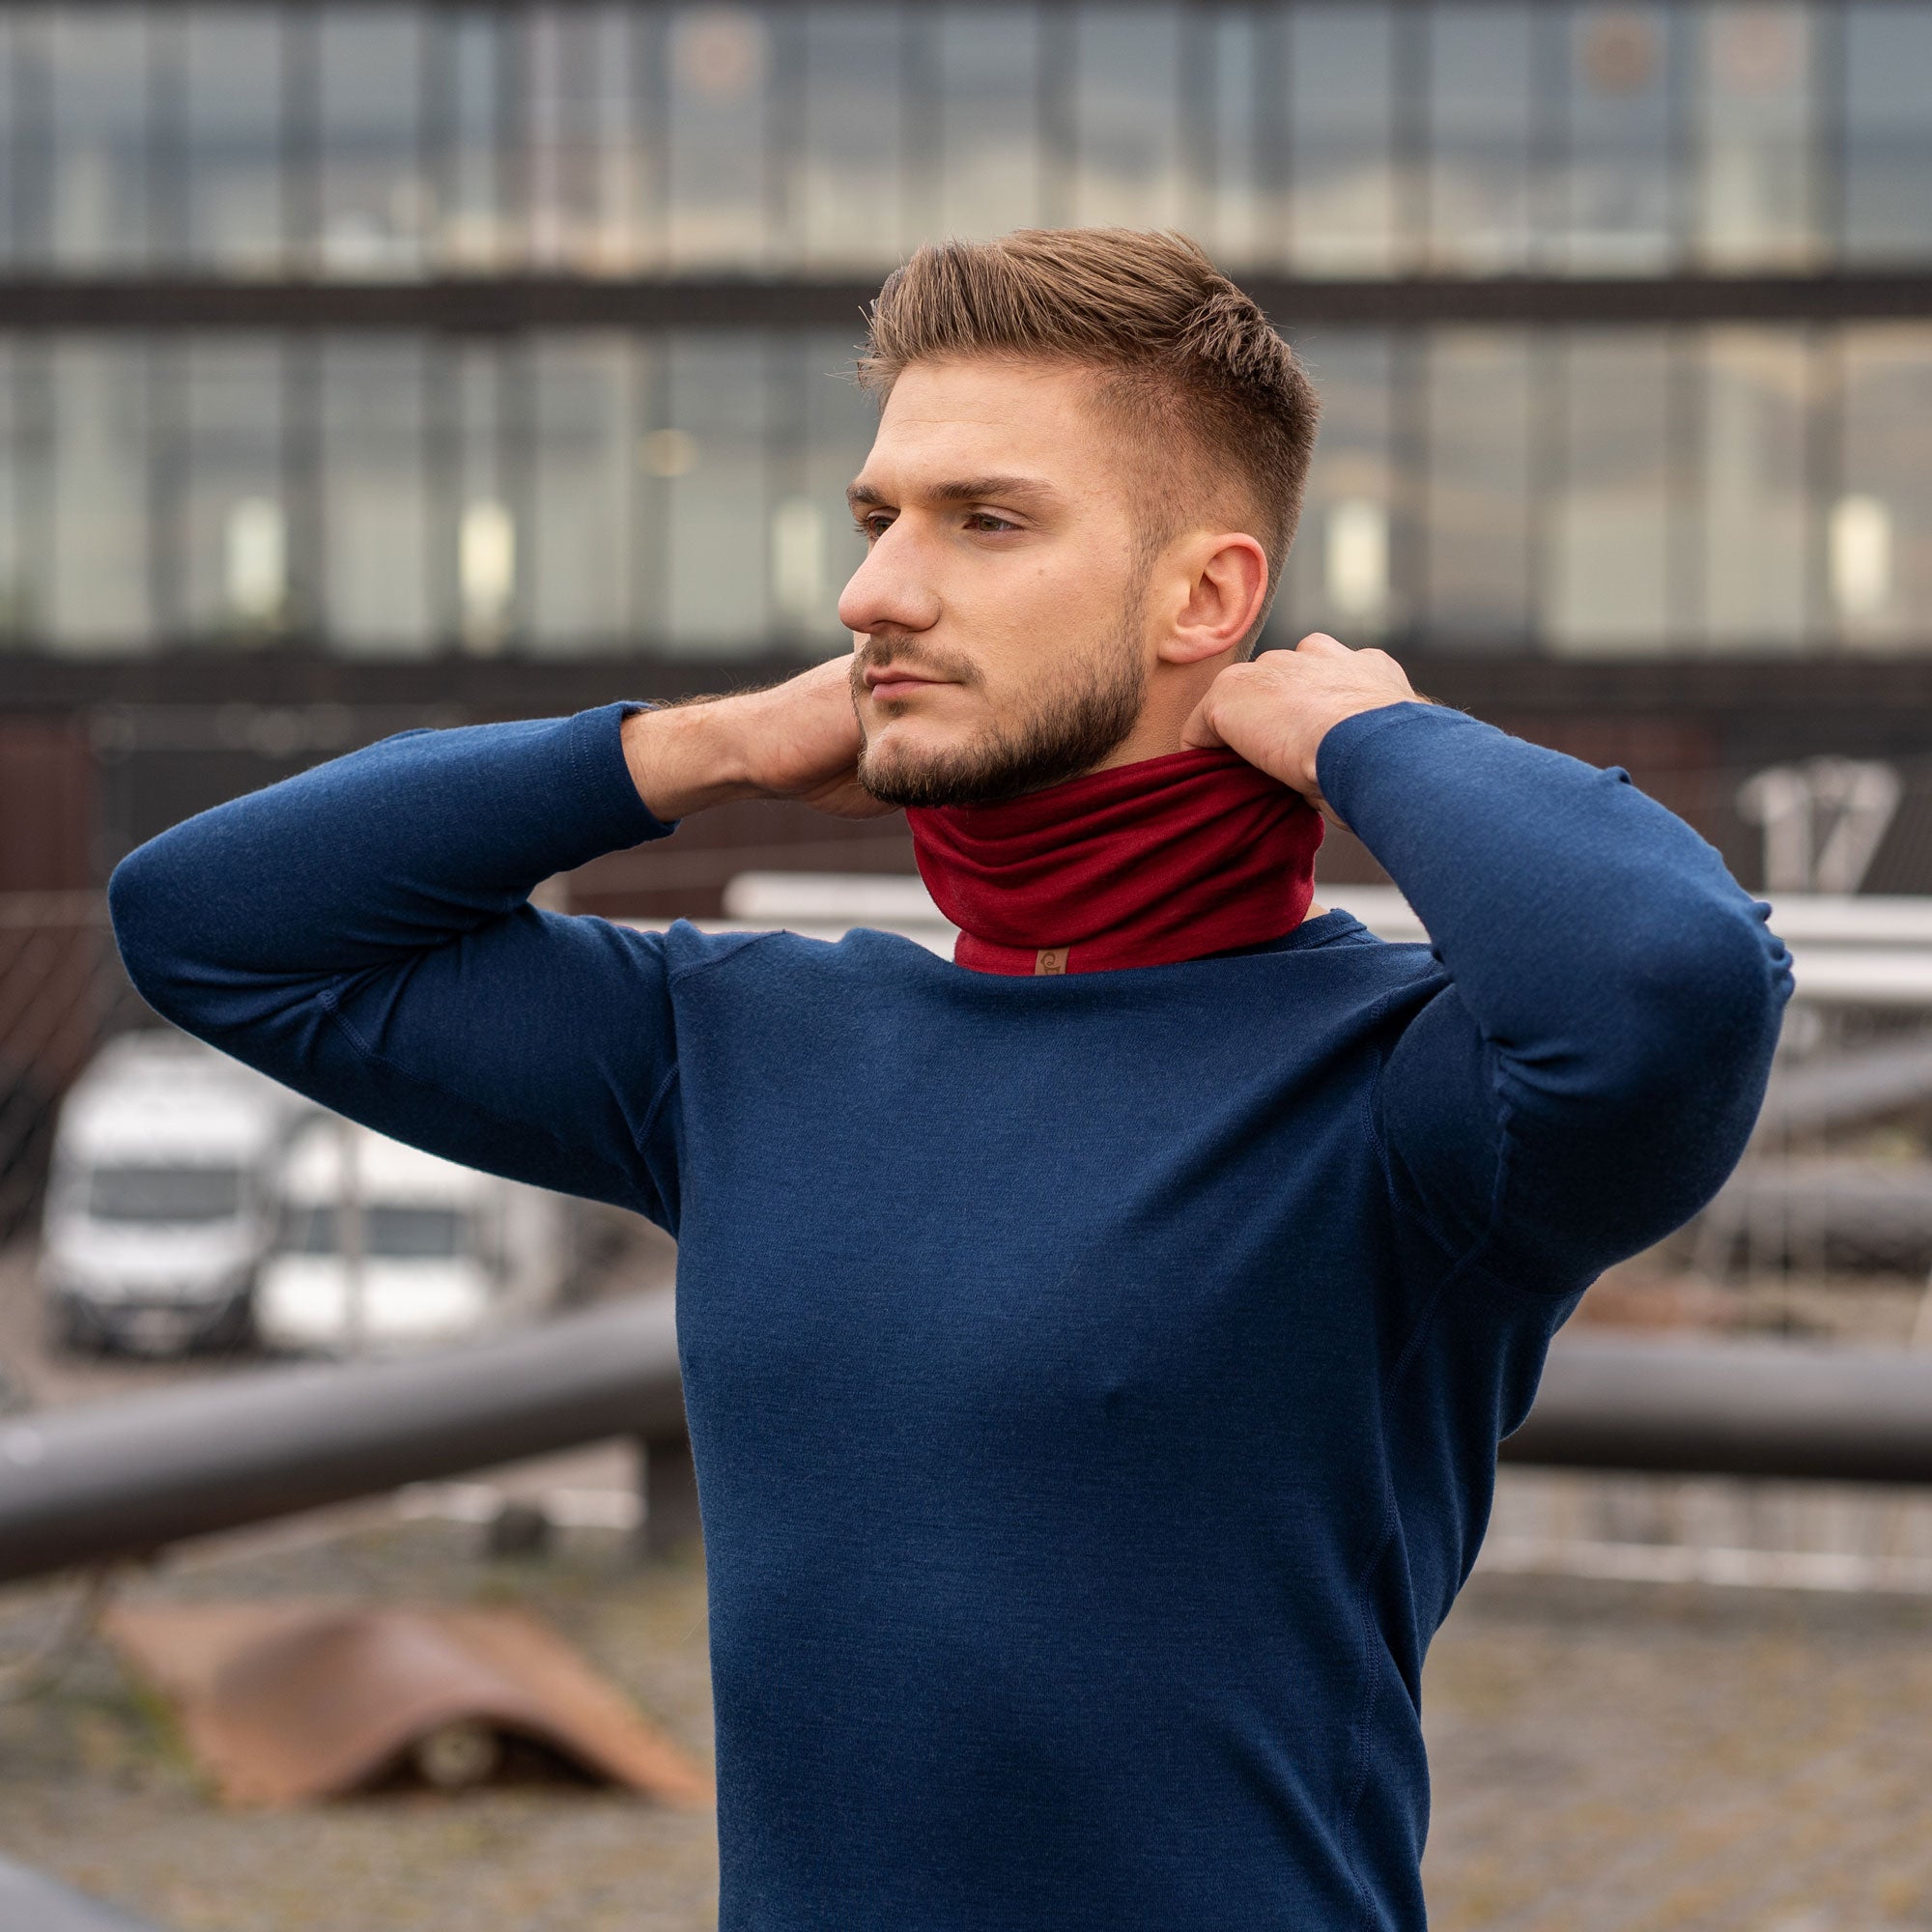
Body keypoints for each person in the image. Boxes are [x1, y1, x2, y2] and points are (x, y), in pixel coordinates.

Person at [110, 230, 1789, 1930]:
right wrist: (707, 746)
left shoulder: (1401, 1099)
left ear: (1207, 598)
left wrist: (1371, 733)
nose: (875, 594)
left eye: (985, 521)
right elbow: (213, 925)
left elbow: (1666, 975)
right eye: (877, 521)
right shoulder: (742, 1045)